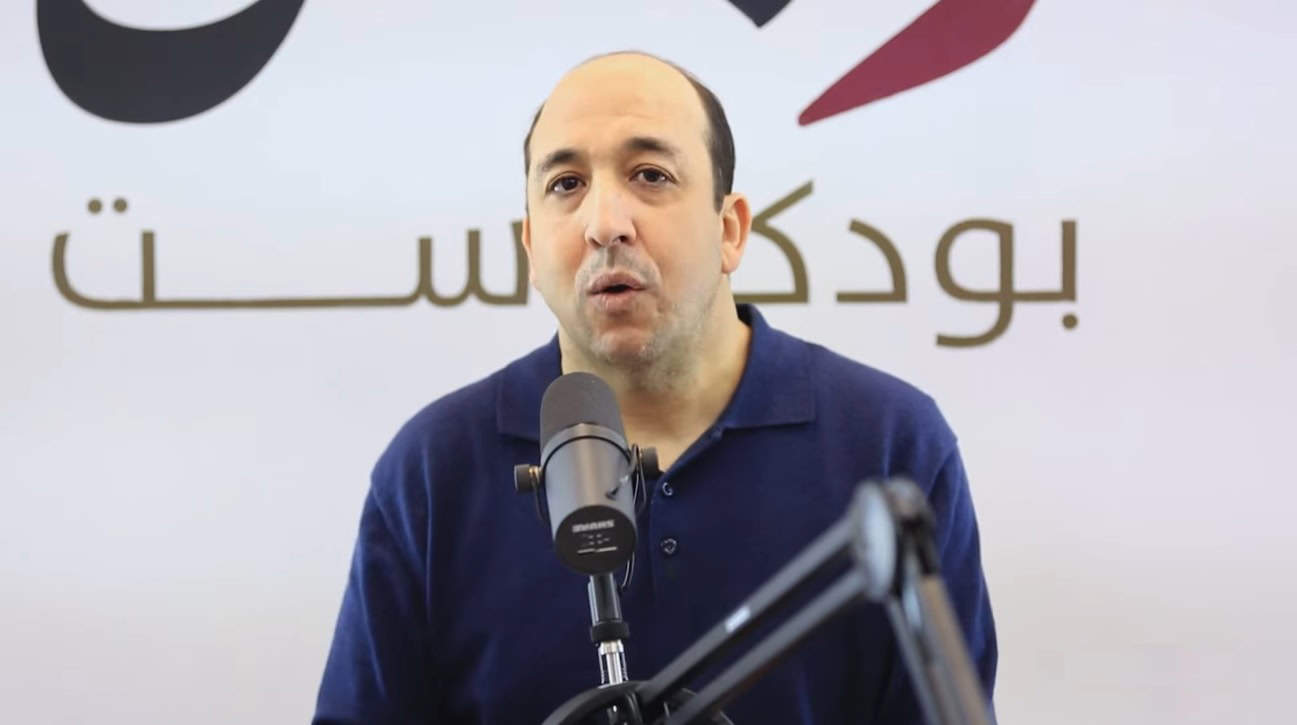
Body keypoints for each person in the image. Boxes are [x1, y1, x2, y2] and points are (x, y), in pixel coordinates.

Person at [313, 51, 996, 724]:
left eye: (650, 175)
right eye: (566, 184)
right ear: (531, 250)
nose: (604, 223)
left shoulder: (891, 445)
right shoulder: (433, 470)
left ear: (729, 230)